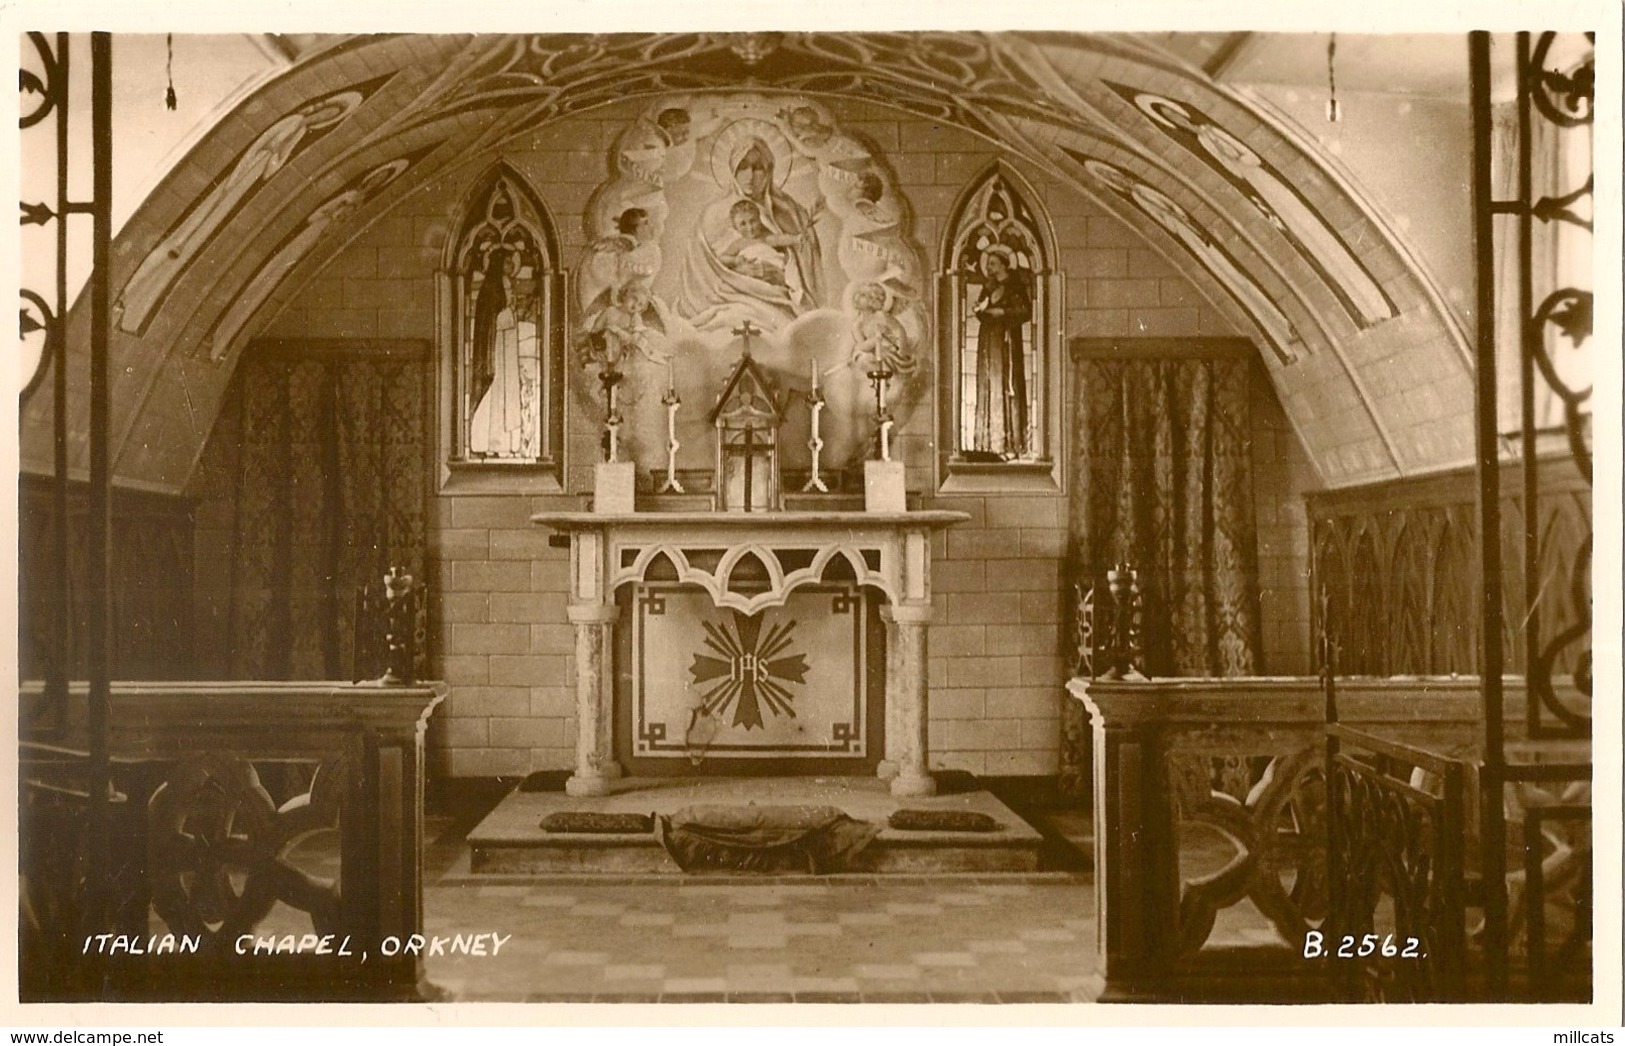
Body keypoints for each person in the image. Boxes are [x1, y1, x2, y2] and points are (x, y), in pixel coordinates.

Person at [971, 246, 1032, 458]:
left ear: (1004, 264)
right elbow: (981, 309)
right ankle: (987, 443)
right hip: (988, 339)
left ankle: (1011, 444)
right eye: (987, 263)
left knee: (1006, 382)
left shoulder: (1014, 286)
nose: (989, 267)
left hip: (1006, 340)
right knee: (989, 382)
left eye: (993, 263)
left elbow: (1025, 311)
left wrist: (1003, 312)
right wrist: (979, 310)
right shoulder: (989, 286)